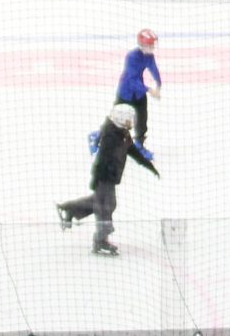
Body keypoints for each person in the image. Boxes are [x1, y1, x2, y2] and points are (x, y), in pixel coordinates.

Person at [57, 105, 159, 257]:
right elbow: (103, 159)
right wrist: (98, 179)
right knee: (106, 206)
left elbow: (133, 151)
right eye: (128, 119)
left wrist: (149, 166)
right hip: (104, 177)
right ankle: (100, 241)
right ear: (120, 119)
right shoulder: (111, 135)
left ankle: (70, 209)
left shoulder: (123, 133)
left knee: (99, 202)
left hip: (110, 177)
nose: (131, 122)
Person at [117, 29, 162, 141]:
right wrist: (150, 90)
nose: (152, 48)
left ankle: (140, 142)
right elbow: (132, 80)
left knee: (142, 119)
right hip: (126, 92)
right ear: (142, 45)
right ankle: (99, 137)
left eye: (153, 45)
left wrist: (158, 84)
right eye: (150, 45)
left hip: (139, 93)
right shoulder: (132, 56)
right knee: (118, 121)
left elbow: (154, 69)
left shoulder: (149, 56)